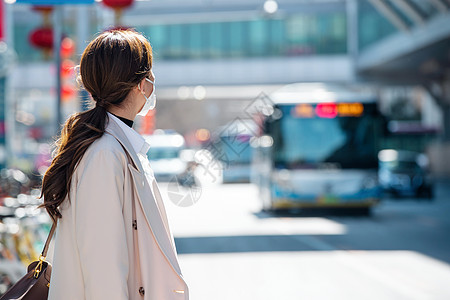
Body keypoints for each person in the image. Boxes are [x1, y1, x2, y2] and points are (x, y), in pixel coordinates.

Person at [39, 30, 189, 300]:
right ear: (140, 84)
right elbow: (103, 266)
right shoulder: (105, 153)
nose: (152, 81)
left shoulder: (114, 147)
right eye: (150, 73)